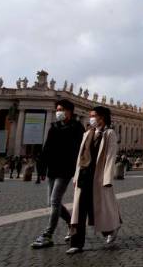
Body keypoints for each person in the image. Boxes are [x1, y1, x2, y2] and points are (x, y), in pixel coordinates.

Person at [32, 99, 86, 249]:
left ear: (70, 111)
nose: (58, 112)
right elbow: (46, 149)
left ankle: (48, 234)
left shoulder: (77, 127)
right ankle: (71, 225)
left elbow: (80, 151)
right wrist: (41, 169)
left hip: (66, 169)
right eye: (57, 109)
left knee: (55, 200)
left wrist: (78, 169)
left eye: (61, 109)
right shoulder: (54, 127)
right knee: (51, 202)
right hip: (52, 169)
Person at [67, 106, 122, 255]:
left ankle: (111, 229)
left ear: (102, 117)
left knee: (98, 208)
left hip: (98, 177)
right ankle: (76, 243)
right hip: (84, 175)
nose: (91, 118)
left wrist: (107, 178)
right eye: (90, 115)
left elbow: (111, 156)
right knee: (79, 210)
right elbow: (81, 156)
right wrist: (76, 175)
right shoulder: (87, 133)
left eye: (93, 115)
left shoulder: (109, 134)